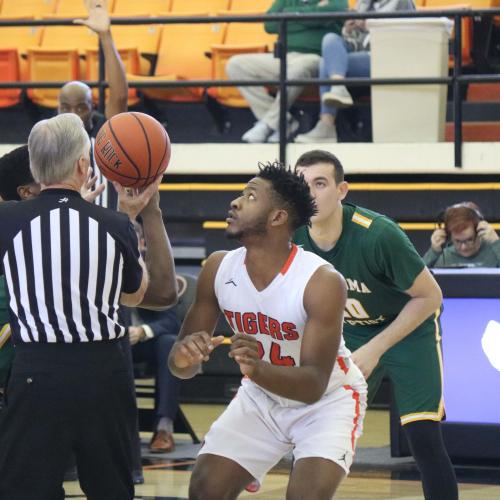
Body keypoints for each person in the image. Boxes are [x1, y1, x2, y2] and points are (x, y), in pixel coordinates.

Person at [0, 113, 176, 500]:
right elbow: (136, 295)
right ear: (83, 165)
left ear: (34, 166)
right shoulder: (113, 225)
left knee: (25, 490)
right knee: (110, 488)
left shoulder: (6, 220)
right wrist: (126, 219)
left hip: (36, 373)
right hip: (103, 374)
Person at [169, 163, 367, 499]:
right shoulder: (218, 267)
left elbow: (313, 386)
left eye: (249, 196)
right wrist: (185, 357)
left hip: (327, 402)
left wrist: (257, 369)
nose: (235, 202)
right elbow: (179, 367)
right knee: (205, 491)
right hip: (261, 397)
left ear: (276, 218)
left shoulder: (321, 281)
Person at [293, 150, 458, 500]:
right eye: (302, 184)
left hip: (407, 328)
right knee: (314, 429)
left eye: (319, 183)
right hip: (348, 331)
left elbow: (430, 297)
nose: (309, 193)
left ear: (342, 190)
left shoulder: (379, 234)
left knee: (424, 436)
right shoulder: (291, 238)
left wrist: (375, 348)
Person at [226, 0, 347, 144]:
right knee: (235, 65)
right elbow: (269, 24)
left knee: (298, 69)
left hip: (317, 58)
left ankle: (268, 124)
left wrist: (289, 16)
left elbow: (334, 10)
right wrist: (311, 16)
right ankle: (284, 122)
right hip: (284, 57)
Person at [295, 0, 415, 143]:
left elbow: (396, 32)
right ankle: (337, 85)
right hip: (362, 53)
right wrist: (348, 29)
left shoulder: (400, 1)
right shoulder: (362, 3)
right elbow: (355, 41)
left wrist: (365, 24)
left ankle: (326, 125)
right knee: (330, 39)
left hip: (387, 55)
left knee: (326, 62)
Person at [58, 0, 128, 209]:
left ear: (92, 108)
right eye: (65, 107)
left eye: (81, 107)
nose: (73, 114)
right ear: (57, 109)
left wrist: (105, 37)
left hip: (104, 227)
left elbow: (120, 97)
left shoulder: (104, 140)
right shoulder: (48, 145)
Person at [423, 201, 500, 268]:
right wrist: (433, 252)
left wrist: (497, 244)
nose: (463, 247)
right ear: (448, 236)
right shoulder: (445, 257)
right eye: (457, 241)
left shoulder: (494, 252)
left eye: (469, 240)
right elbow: (414, 279)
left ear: (480, 230)